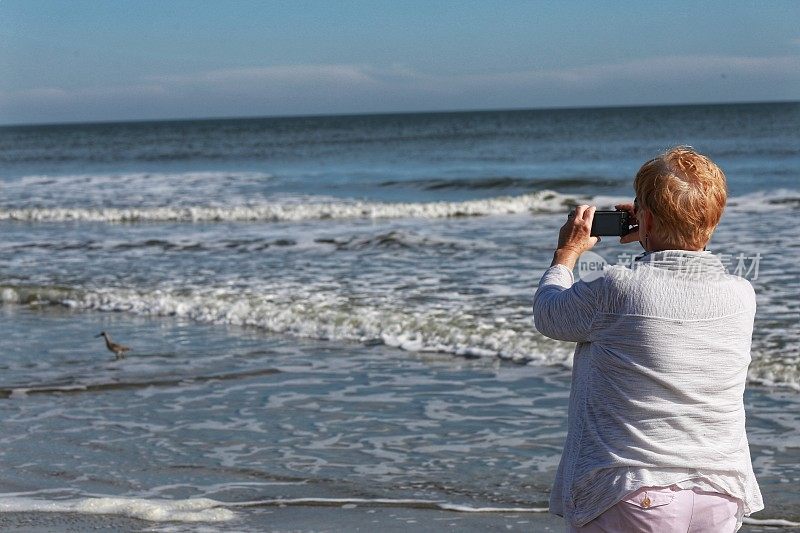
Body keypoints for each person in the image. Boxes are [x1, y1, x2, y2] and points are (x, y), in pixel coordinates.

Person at [533, 146, 763, 532]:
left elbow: (550, 314)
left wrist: (567, 252)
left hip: (636, 488)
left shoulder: (614, 285)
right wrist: (655, 232)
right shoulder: (741, 292)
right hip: (721, 488)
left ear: (646, 219)